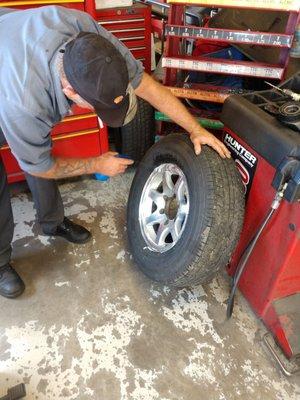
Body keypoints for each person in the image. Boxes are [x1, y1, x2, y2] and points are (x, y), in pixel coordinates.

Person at [0, 5, 230, 299]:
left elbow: (146, 85)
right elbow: (39, 168)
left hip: (12, 39)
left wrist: (195, 128)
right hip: (7, 81)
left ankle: (52, 223)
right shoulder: (24, 104)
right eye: (99, 106)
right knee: (30, 163)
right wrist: (96, 163)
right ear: (70, 89)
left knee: (39, 147)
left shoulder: (85, 33)